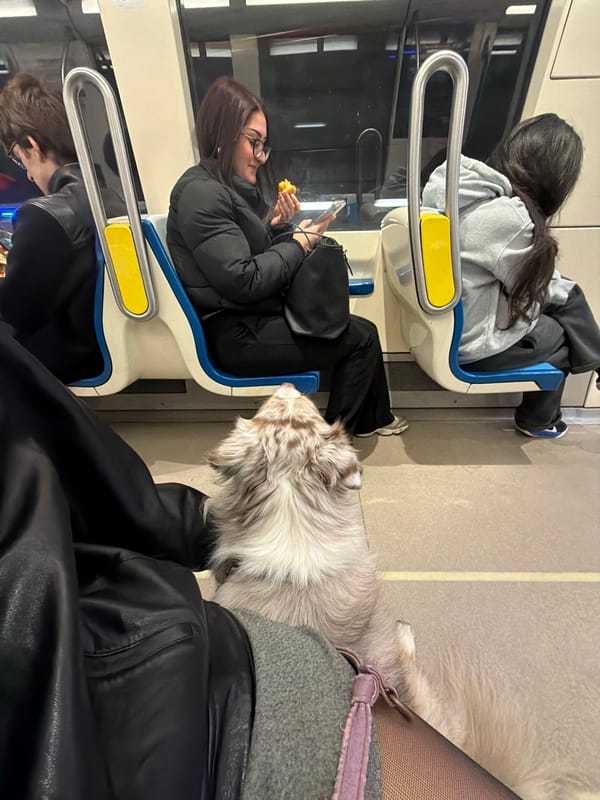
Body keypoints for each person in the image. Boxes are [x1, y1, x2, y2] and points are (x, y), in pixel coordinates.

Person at [0, 324, 523, 800]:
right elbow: (106, 494)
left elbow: (106, 499)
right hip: (147, 675)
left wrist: (239, 525)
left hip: (125, 656)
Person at [166, 76, 407, 437]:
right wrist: (300, 243)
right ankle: (329, 446)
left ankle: (373, 419)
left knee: (362, 332)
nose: (261, 157)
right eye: (253, 142)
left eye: (264, 145)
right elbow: (244, 280)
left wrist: (276, 225)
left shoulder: (217, 190)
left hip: (247, 318)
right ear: (223, 133)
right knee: (361, 339)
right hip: (236, 335)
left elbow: (237, 253)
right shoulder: (203, 195)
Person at [422, 113, 600, 439]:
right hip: (471, 346)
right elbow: (537, 290)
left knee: (566, 302)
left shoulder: (455, 197)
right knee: (561, 332)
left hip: (443, 330)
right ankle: (538, 420)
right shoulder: (508, 219)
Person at [0, 73, 103, 384]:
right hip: (92, 344)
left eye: (21, 162)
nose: (29, 177)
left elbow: (15, 312)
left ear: (32, 145)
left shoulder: (46, 216)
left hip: (67, 353)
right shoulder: (106, 196)